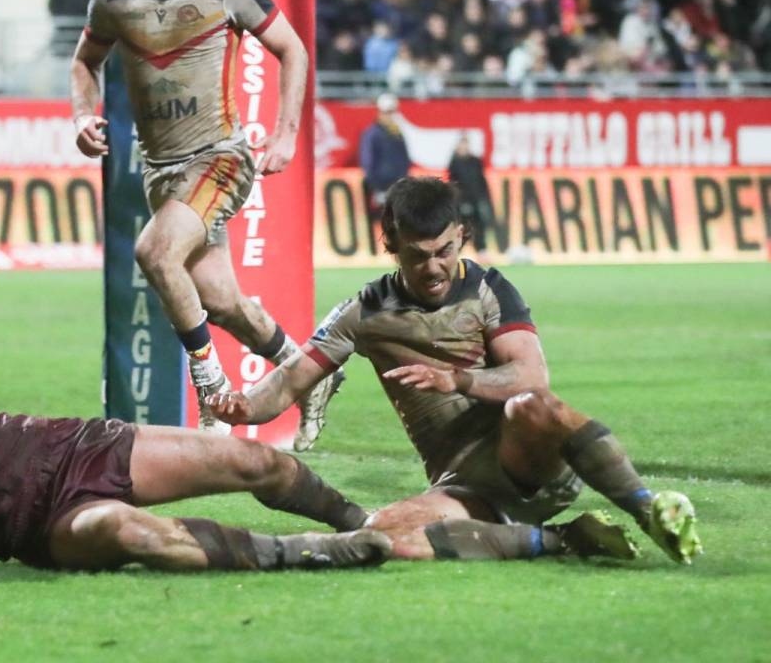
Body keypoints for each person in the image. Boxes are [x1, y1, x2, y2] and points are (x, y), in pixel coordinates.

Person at [207, 177, 703, 565]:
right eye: (418, 256)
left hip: (529, 461)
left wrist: (459, 380)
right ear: (391, 244)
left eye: (445, 251)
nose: (434, 268)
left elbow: (532, 377)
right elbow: (290, 379)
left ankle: (648, 510)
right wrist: (244, 405)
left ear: (461, 237)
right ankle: (563, 539)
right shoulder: (364, 312)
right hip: (464, 486)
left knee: (531, 406)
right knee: (385, 535)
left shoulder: (489, 289)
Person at [0, 312, 391, 572]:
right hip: (37, 530)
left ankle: (363, 520)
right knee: (137, 537)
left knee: (249, 459)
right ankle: (311, 553)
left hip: (68, 450)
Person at [68, 0, 341, 450]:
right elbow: (84, 61)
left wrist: (286, 134)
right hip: (160, 172)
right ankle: (310, 374)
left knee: (154, 251)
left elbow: (292, 49)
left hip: (219, 158)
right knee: (219, 300)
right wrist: (83, 116)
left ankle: (210, 387)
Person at [358, 92, 411, 227]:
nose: (391, 116)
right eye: (388, 112)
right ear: (380, 113)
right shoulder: (372, 134)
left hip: (397, 188)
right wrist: (377, 187)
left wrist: (403, 180)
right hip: (382, 188)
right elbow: (367, 162)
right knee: (381, 225)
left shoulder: (397, 134)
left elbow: (404, 159)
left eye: (393, 112)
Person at [447, 135, 491, 252]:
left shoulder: (475, 161)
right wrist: (460, 201)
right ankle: (458, 250)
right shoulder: (454, 162)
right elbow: (454, 183)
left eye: (466, 144)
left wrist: (484, 197)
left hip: (476, 199)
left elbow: (481, 180)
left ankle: (481, 249)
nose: (464, 147)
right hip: (462, 201)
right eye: (462, 144)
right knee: (462, 227)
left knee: (480, 225)